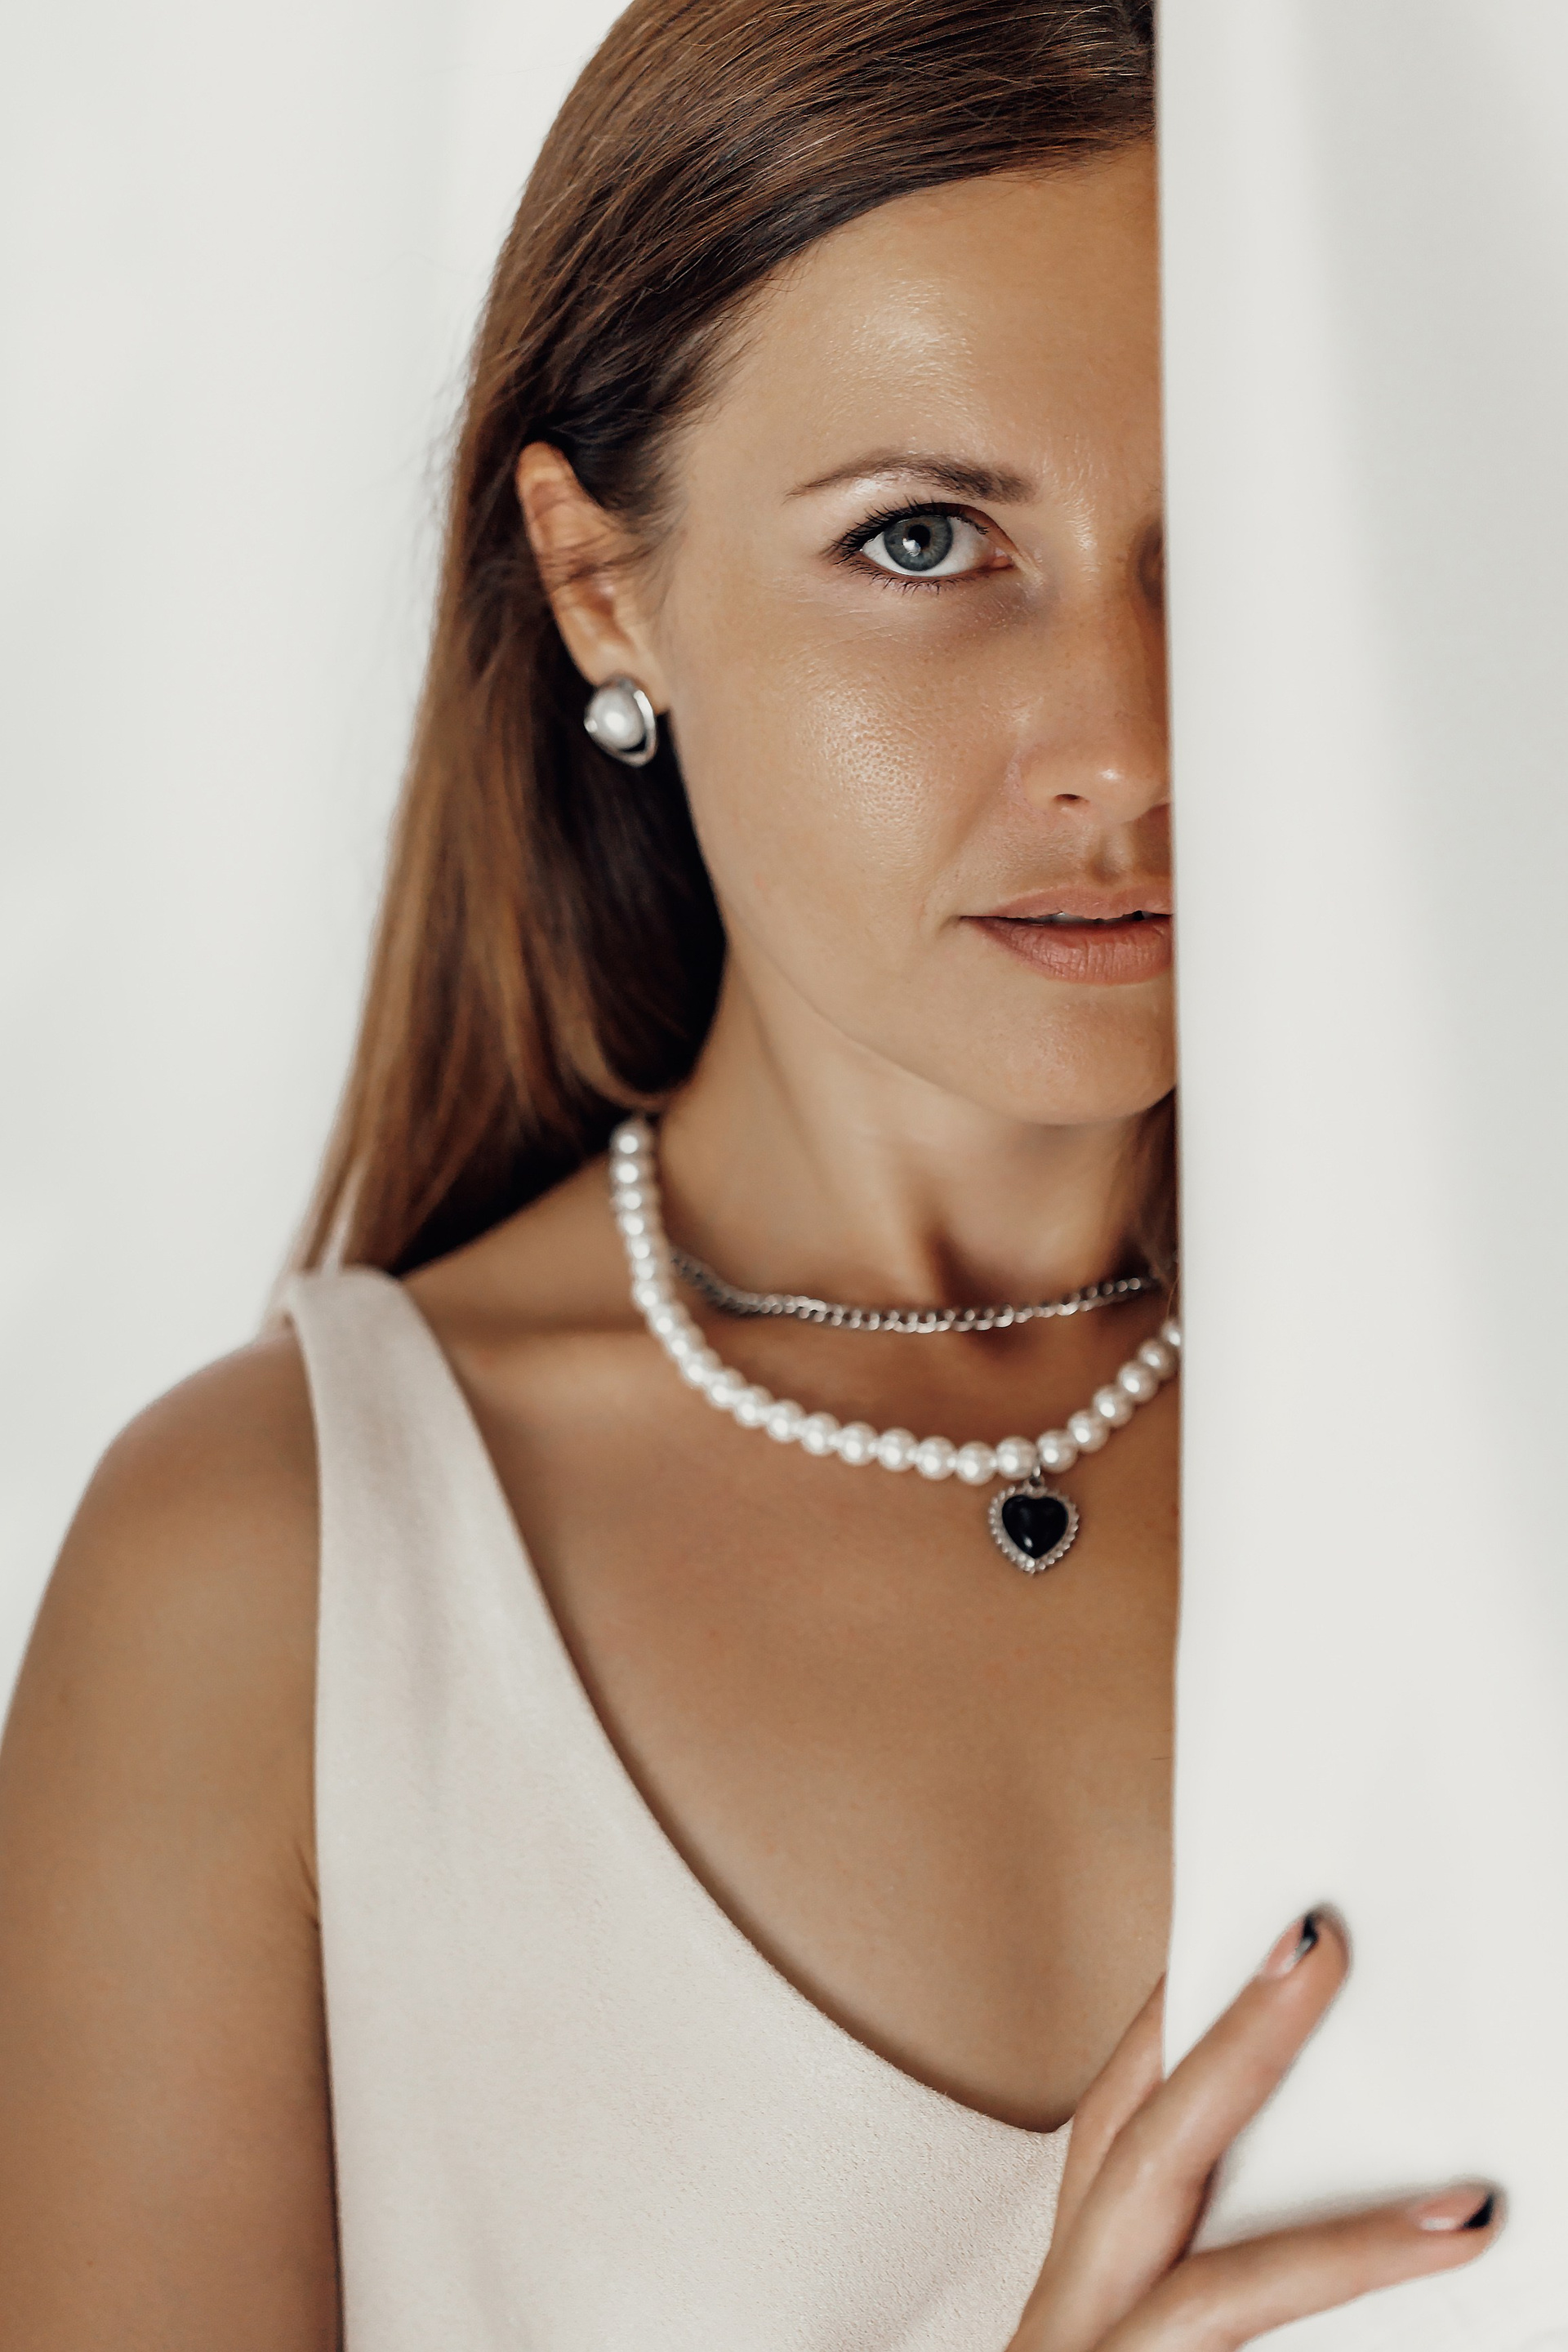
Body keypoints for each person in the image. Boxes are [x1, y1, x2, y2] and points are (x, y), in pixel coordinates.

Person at [0, 2, 1499, 2343]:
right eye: (925, 538)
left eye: (1228, 540)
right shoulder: (275, 1586)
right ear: (602, 581)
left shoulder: (1497, 1425)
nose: (1126, 746)